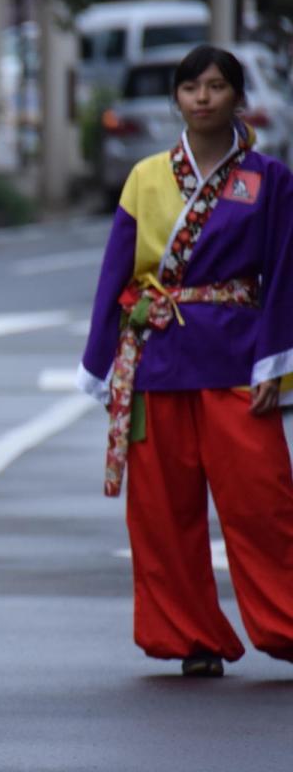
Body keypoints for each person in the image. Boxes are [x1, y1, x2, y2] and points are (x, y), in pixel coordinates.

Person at [78, 44, 293, 677]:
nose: (203, 97)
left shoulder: (271, 179)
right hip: (158, 363)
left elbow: (284, 276)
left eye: (217, 85)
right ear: (177, 98)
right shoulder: (145, 176)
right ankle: (189, 635)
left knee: (264, 502)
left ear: (237, 98)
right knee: (163, 512)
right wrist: (100, 362)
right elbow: (116, 271)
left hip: (237, 358)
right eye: (191, 86)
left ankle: (285, 625)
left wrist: (273, 366)